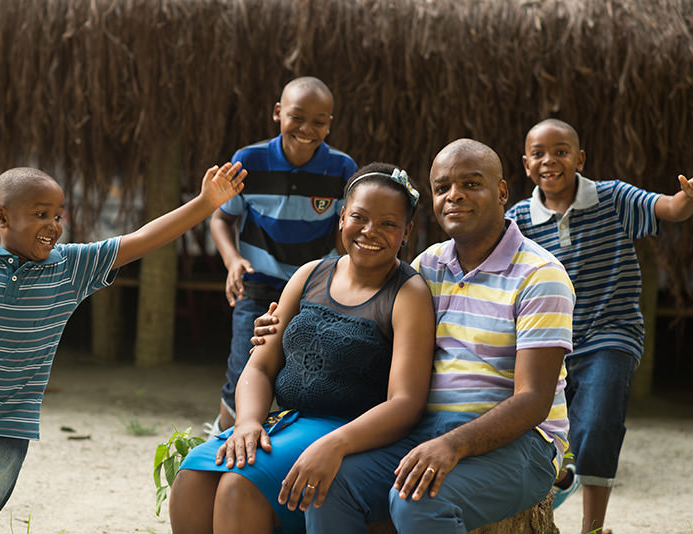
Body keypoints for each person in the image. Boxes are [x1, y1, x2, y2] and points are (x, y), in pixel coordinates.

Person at [252, 139, 576, 533]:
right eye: (442, 187)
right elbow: (363, 325)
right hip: (426, 432)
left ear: (502, 192)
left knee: (419, 502)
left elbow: (533, 400)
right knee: (331, 486)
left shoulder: (540, 275)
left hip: (522, 443)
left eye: (471, 184)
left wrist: (453, 444)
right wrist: (284, 328)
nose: (454, 195)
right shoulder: (428, 266)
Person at [0, 162, 246, 534]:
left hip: (2, 432)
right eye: (41, 214)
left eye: (58, 215)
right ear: (1, 217)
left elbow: (142, 239)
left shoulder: (70, 268)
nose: (54, 225)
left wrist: (204, 203)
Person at [169, 163, 435, 534]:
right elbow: (260, 365)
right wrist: (248, 423)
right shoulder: (310, 275)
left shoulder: (407, 294)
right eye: (359, 217)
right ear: (341, 217)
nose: (370, 231)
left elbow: (405, 403)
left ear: (406, 232)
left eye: (388, 223)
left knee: (239, 485)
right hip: (288, 421)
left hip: (348, 430)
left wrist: (336, 444)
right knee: (192, 479)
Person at [505, 118, 693, 534]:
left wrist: (688, 197)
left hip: (612, 332)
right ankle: (548, 504)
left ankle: (592, 529)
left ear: (579, 159)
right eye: (538, 154)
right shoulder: (518, 219)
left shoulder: (613, 197)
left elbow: (669, 209)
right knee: (541, 427)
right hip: (549, 340)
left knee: (598, 423)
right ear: (526, 164)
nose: (549, 160)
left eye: (561, 152)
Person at [208, 76, 357, 435]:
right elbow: (221, 218)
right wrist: (232, 261)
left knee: (309, 374)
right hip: (257, 287)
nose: (307, 129)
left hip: (313, 293)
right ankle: (220, 442)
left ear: (330, 124)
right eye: (297, 117)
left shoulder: (342, 169)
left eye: (319, 121)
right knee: (243, 371)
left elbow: (345, 234)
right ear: (278, 112)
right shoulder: (249, 161)